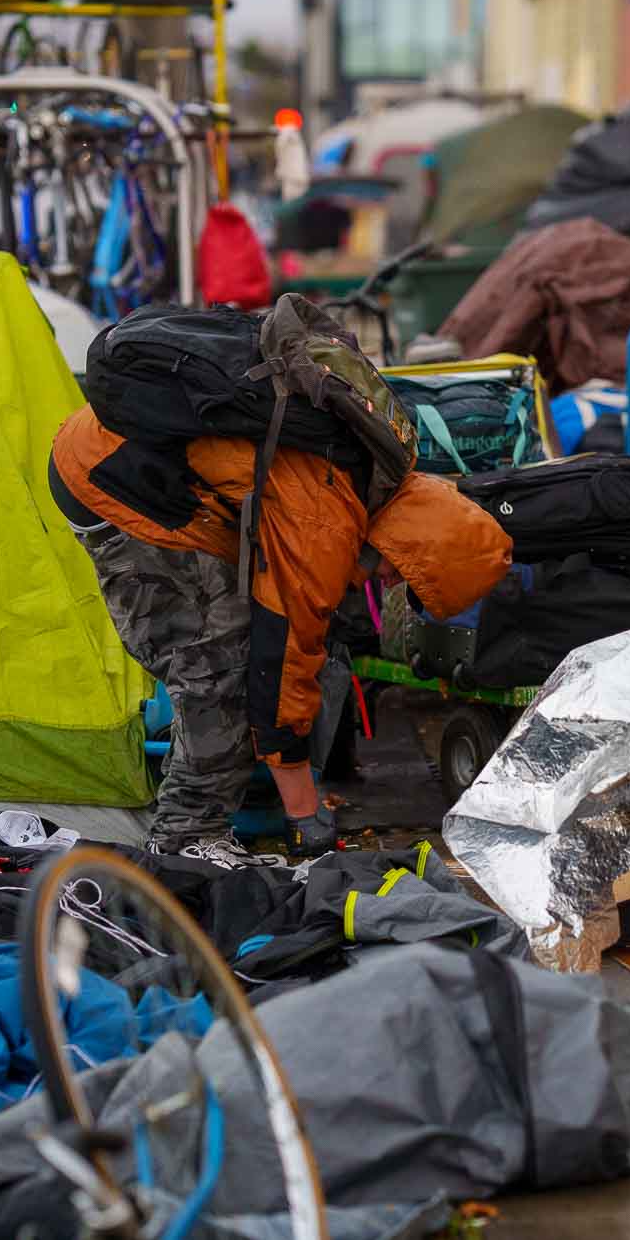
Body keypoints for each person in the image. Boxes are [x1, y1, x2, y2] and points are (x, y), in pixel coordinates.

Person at [49, 308, 512, 869]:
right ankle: (185, 837)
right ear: (411, 548)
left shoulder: (388, 467)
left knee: (245, 652)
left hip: (138, 467)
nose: (387, 583)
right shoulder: (329, 519)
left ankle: (221, 787)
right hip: (117, 486)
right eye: (402, 576)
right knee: (217, 667)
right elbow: (284, 657)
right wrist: (304, 811)